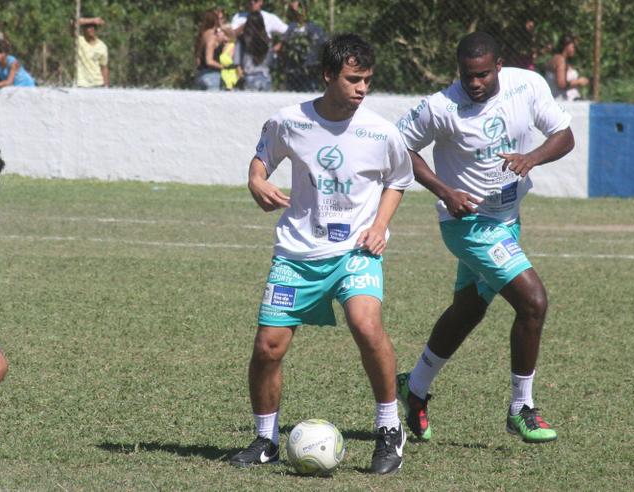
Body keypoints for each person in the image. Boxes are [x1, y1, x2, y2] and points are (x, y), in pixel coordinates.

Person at [228, 33, 413, 475]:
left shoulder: (381, 131)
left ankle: (390, 430)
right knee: (268, 348)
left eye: (367, 80)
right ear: (329, 75)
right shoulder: (288, 122)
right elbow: (260, 162)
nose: (361, 89)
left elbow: (399, 179)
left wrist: (380, 225)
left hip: (355, 252)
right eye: (353, 79)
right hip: (296, 253)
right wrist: (256, 181)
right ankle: (266, 439)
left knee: (367, 326)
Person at [395, 31, 574, 444]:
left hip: (507, 219)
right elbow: (399, 147)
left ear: (498, 66)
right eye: (466, 75)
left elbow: (564, 135)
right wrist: (445, 191)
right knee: (533, 302)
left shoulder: (527, 85)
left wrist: (532, 158)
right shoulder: (441, 107)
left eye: (481, 75)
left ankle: (415, 386)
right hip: (467, 226)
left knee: (468, 310)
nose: (473, 83)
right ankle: (521, 408)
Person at [280, 0, 327, 92]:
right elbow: (283, 46)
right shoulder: (291, 28)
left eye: (299, 9)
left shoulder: (315, 28)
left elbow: (324, 46)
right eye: (294, 11)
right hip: (293, 72)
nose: (297, 12)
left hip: (310, 71)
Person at [234, 13, 273, 91]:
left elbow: (237, 62)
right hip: (265, 78)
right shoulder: (268, 41)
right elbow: (271, 62)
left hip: (249, 78)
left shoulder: (242, 40)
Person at [544, 34, 588, 101]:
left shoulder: (557, 58)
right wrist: (578, 82)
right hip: (562, 103)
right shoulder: (560, 60)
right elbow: (561, 84)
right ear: (566, 46)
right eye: (573, 47)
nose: (575, 49)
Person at [75, 16, 109, 88]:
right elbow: (74, 23)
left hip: (98, 84)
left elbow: (104, 67)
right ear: (83, 29)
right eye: (88, 27)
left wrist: (106, 86)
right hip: (81, 84)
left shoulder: (102, 46)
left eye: (93, 27)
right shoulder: (79, 41)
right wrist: (93, 20)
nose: (91, 29)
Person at [195, 9, 224, 91]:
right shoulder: (212, 37)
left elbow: (198, 58)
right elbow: (209, 60)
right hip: (212, 76)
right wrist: (223, 67)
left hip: (201, 74)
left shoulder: (203, 35)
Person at [218, 24, 240, 90]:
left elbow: (237, 64)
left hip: (231, 79)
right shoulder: (221, 47)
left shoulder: (232, 46)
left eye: (220, 32)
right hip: (223, 78)